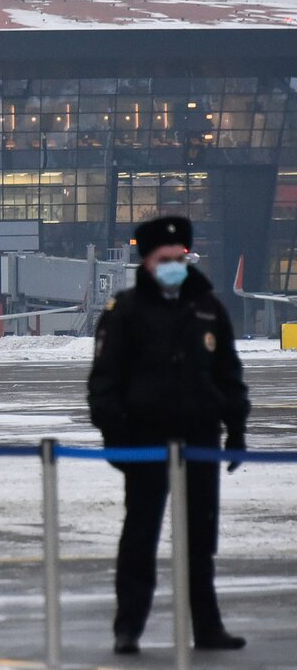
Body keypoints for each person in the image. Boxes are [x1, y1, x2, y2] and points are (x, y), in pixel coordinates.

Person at [88, 216, 250, 655]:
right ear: (147, 261)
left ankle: (208, 627)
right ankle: (128, 628)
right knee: (140, 536)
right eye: (166, 259)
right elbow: (104, 383)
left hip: (200, 437)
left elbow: (229, 373)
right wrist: (116, 439)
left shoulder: (208, 307)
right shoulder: (125, 311)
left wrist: (235, 429)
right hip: (145, 438)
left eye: (182, 258)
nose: (176, 264)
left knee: (201, 538)